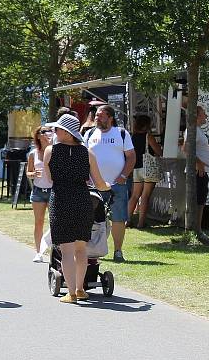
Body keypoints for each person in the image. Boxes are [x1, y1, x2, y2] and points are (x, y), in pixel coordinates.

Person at [43, 114, 109, 304]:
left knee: (66, 250)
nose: (54, 132)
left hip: (61, 199)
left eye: (57, 129)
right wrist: (108, 187)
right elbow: (99, 182)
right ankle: (80, 289)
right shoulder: (87, 153)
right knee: (81, 249)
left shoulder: (50, 151)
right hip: (82, 199)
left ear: (65, 132)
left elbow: (49, 180)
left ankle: (71, 293)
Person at [83, 104, 135, 262]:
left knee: (118, 218)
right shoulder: (89, 134)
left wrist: (124, 175)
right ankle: (92, 250)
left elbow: (131, 156)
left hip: (116, 185)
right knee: (91, 219)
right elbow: (83, 157)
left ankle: (118, 251)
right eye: (96, 115)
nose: (96, 118)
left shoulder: (121, 134)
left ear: (110, 118)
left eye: (100, 115)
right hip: (94, 186)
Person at [183, 105, 209, 244]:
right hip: (196, 171)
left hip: (201, 171)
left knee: (201, 201)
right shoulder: (191, 130)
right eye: (203, 114)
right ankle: (196, 231)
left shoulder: (198, 131)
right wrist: (199, 163)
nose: (206, 116)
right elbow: (186, 148)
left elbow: (196, 147)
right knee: (197, 202)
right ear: (196, 116)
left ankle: (197, 230)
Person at [128, 114, 164, 228]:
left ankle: (127, 220)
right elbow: (158, 151)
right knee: (145, 196)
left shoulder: (132, 137)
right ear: (146, 125)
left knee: (134, 196)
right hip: (148, 168)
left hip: (136, 168)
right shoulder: (148, 136)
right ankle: (141, 223)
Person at [26, 125, 53, 262]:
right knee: (39, 222)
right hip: (38, 191)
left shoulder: (56, 151)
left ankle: (55, 251)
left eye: (50, 131)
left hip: (53, 190)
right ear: (38, 136)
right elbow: (28, 172)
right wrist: (33, 174)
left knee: (55, 222)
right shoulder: (33, 153)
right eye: (44, 132)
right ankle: (38, 252)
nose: (48, 134)